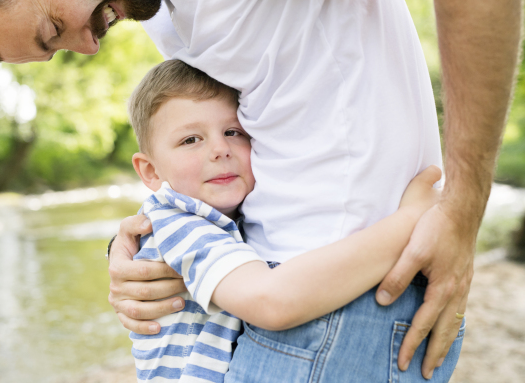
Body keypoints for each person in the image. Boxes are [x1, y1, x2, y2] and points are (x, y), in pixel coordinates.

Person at [0, 0, 521, 380]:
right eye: (57, 49)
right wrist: (141, 244)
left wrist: (460, 205)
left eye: (53, 26)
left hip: (344, 308)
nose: (85, 46)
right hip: (315, 297)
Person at [126, 58, 446, 383]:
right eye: (191, 140)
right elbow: (270, 303)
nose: (220, 149)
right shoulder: (179, 222)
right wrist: (412, 219)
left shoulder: (218, 214)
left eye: (233, 132)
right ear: (150, 171)